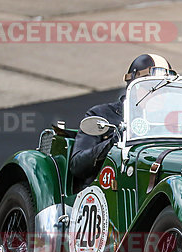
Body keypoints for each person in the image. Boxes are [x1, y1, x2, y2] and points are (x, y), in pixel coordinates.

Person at [69, 54, 173, 193]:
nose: (157, 95)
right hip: (104, 193)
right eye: (151, 87)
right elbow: (77, 165)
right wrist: (112, 143)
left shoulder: (170, 124)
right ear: (134, 86)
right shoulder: (102, 114)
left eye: (163, 90)